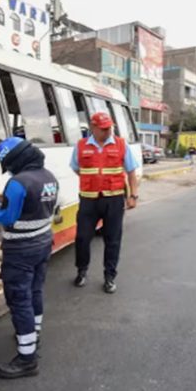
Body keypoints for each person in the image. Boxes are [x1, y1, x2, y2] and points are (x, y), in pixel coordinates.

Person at [0, 137, 59, 379]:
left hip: (20, 250)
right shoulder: (49, 176)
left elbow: (7, 219)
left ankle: (27, 359)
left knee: (19, 300)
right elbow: (40, 208)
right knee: (35, 291)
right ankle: (33, 334)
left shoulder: (17, 183)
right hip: (43, 243)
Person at [71, 112, 139, 294]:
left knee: (113, 240)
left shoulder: (121, 144)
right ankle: (81, 270)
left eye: (110, 127)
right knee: (83, 238)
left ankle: (109, 276)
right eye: (103, 129)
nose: (108, 131)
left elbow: (131, 172)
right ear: (93, 128)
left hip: (114, 200)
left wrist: (133, 196)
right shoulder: (81, 146)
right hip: (88, 200)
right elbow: (77, 168)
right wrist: (92, 181)